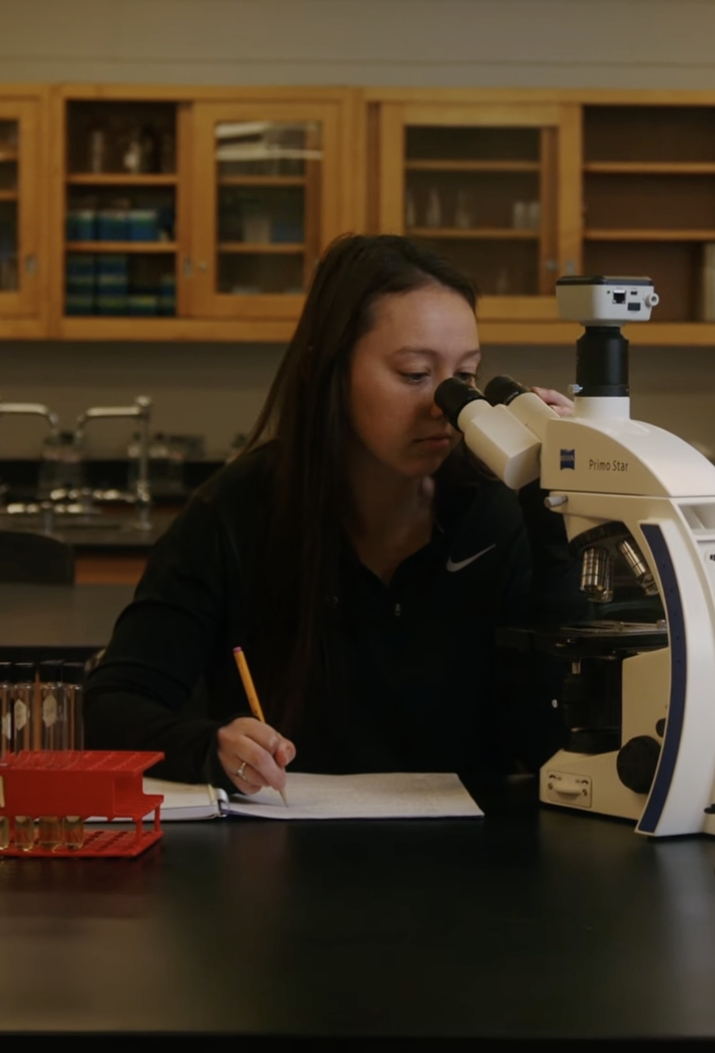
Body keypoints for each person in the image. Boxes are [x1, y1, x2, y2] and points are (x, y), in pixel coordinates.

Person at [84, 235, 582, 795]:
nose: (444, 405)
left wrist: (552, 518)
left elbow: (547, 743)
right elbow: (112, 708)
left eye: (464, 378)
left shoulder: (495, 520)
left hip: (468, 863)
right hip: (279, 860)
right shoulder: (234, 514)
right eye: (416, 374)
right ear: (329, 370)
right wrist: (210, 746)